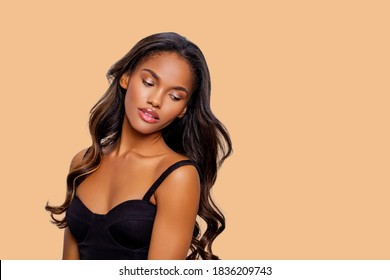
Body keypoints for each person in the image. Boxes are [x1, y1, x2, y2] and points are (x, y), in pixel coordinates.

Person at [46, 32, 232, 260]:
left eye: (174, 96)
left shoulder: (178, 176)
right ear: (126, 78)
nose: (156, 100)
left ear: (184, 109)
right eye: (149, 83)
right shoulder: (85, 162)